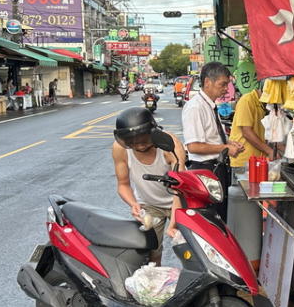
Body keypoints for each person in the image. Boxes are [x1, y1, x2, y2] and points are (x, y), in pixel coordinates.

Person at [113, 107, 185, 265]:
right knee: (151, 253)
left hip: (179, 201)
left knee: (188, 249)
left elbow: (180, 188)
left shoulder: (169, 145)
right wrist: (134, 204)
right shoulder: (120, 149)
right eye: (133, 143)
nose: (139, 146)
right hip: (150, 205)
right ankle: (155, 285)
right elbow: (123, 185)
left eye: (144, 140)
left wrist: (173, 223)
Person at [182, 62, 244, 219]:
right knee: (211, 218)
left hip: (217, 169)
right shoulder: (195, 107)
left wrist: (229, 143)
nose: (225, 89)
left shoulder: (210, 106)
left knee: (221, 215)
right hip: (205, 171)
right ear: (207, 82)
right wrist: (225, 148)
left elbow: (212, 136)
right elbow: (194, 146)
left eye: (227, 85)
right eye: (222, 84)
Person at [229, 83, 274, 167]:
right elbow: (247, 132)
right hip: (244, 161)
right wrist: (269, 151)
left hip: (258, 160)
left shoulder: (263, 105)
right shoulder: (247, 100)